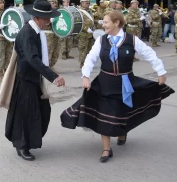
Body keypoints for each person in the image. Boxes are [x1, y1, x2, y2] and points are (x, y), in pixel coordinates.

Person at [60, 11, 174, 163]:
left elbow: (149, 54)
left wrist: (161, 71)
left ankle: (122, 131)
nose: (103, 24)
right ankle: (106, 149)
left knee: (122, 111)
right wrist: (85, 76)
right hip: (104, 83)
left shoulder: (132, 40)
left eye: (106, 22)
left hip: (125, 83)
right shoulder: (101, 40)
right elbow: (90, 58)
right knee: (104, 114)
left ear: (117, 23)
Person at [5, 0, 65, 161]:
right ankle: (22, 145)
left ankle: (27, 142)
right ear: (37, 17)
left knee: (40, 111)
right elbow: (33, 59)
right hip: (25, 79)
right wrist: (53, 76)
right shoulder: (28, 33)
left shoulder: (37, 31)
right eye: (46, 19)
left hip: (34, 78)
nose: (48, 22)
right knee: (26, 114)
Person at [44, 0, 61, 70]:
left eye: (55, 3)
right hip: (48, 35)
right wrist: (49, 21)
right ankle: (46, 68)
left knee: (56, 51)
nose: (54, 4)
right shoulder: (44, 12)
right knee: (48, 52)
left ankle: (51, 66)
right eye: (52, 3)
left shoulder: (56, 12)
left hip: (56, 34)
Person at [78, 0, 95, 68]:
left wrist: (98, 22)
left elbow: (92, 20)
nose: (88, 4)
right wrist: (86, 29)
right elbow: (78, 22)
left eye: (88, 3)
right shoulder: (79, 11)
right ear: (82, 3)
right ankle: (82, 63)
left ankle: (88, 62)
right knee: (82, 49)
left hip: (90, 33)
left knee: (90, 49)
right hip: (83, 34)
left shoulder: (90, 11)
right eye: (86, 3)